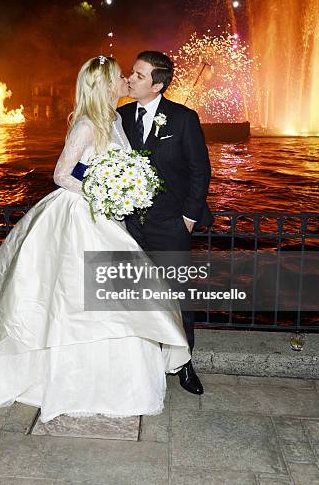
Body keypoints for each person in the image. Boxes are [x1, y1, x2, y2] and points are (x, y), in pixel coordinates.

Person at [0, 55, 191, 423]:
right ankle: (66, 375)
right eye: (119, 76)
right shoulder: (86, 124)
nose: (125, 79)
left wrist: (122, 189)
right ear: (105, 85)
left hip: (104, 217)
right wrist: (101, 192)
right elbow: (61, 174)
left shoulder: (114, 118)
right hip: (80, 214)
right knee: (70, 297)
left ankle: (111, 376)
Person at [118, 50, 212, 395]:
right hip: (128, 225)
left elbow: (200, 171)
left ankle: (184, 365)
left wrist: (187, 219)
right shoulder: (120, 116)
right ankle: (140, 364)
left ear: (157, 85)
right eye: (131, 72)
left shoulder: (183, 118)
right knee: (134, 295)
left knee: (178, 296)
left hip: (171, 224)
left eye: (139, 75)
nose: (130, 78)